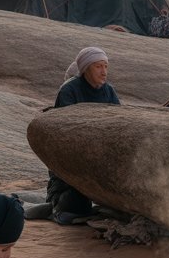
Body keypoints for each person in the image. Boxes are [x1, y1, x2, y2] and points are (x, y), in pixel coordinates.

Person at [46, 47, 120, 224]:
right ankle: (55, 201)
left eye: (106, 67)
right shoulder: (69, 91)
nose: (104, 72)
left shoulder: (109, 91)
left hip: (101, 155)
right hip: (72, 162)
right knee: (75, 205)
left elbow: (119, 123)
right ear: (86, 69)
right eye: (98, 67)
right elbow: (66, 132)